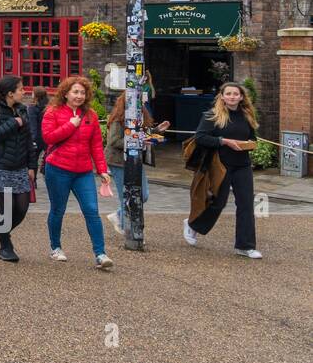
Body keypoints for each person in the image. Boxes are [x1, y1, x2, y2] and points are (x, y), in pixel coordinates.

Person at [41, 75, 114, 269]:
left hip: (83, 172)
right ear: (65, 94)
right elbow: (48, 138)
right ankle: (55, 247)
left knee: (92, 211)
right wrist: (70, 125)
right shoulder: (52, 112)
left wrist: (102, 169)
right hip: (58, 169)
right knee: (58, 209)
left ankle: (100, 254)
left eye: (82, 92)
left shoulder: (90, 116)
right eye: (75, 92)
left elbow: (96, 146)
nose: (79, 96)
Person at [185, 82, 262, 259]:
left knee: (246, 205)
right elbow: (200, 137)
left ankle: (245, 246)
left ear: (241, 97)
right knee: (217, 203)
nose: (232, 97)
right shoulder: (213, 115)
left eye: (236, 94)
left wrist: (249, 144)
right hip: (220, 165)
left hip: (242, 165)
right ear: (222, 96)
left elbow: (252, 137)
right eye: (228, 94)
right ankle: (193, 225)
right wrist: (224, 141)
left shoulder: (246, 115)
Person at [0, 76, 39, 262]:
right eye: (21, 89)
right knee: (8, 208)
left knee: (22, 208)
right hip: (0, 167)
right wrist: (15, 122)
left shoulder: (22, 109)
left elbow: (30, 140)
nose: (25, 92)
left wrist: (32, 166)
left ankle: (1, 230)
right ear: (10, 93)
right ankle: (5, 246)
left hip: (21, 167)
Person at [104, 92, 170, 234]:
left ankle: (118, 215)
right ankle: (129, 230)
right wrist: (138, 142)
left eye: (140, 102)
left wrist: (156, 130)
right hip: (117, 161)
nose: (138, 105)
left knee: (143, 195)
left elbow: (139, 135)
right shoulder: (118, 119)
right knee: (126, 196)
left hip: (135, 160)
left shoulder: (139, 117)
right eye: (134, 101)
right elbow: (114, 141)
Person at [26, 85, 48, 158]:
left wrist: (32, 140)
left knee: (33, 161)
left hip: (38, 137)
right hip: (47, 136)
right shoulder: (49, 106)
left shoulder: (32, 107)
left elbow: (33, 126)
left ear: (36, 95)